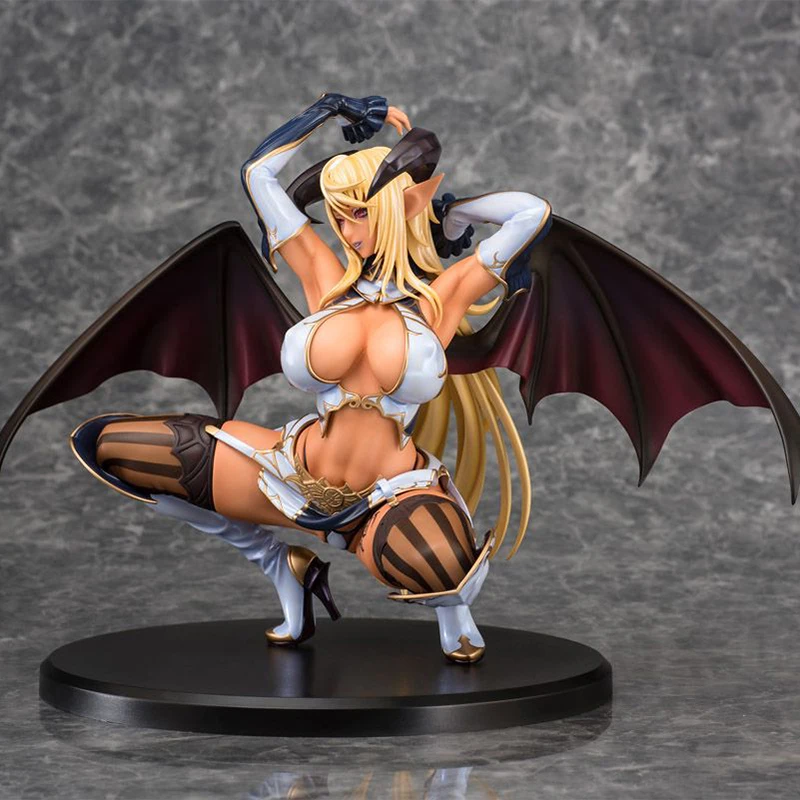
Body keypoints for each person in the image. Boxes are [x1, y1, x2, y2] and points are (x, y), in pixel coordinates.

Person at [69, 94, 548, 664]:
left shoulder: (439, 300)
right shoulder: (325, 279)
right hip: (289, 475)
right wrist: (331, 109)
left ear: (395, 207)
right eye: (338, 215)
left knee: (441, 565)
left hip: (387, 500)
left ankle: (453, 616)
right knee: (116, 449)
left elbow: (531, 213)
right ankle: (281, 565)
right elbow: (258, 175)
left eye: (360, 213)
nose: (346, 230)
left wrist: (454, 215)